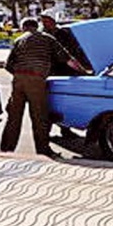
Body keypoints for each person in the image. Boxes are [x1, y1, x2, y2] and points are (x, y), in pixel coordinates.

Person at [0, 17, 88, 159]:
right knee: (40, 117)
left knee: (14, 117)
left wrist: (20, 75)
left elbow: (8, 65)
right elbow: (68, 59)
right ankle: (43, 151)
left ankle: (6, 150)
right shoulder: (47, 39)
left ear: (24, 28)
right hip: (37, 80)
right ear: (37, 26)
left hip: (18, 80)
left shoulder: (18, 40)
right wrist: (84, 72)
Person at [40, 10, 91, 139]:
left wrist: (81, 68)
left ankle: (65, 129)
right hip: (48, 73)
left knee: (63, 102)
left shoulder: (63, 34)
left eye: (46, 20)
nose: (44, 23)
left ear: (53, 21)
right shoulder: (42, 34)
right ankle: (46, 132)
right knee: (48, 103)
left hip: (64, 71)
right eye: (43, 20)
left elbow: (73, 52)